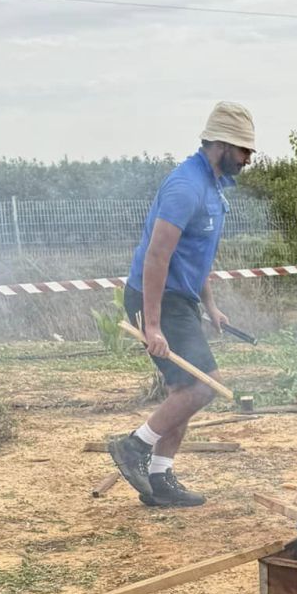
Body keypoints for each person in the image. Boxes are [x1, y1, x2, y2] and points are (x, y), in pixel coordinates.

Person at [107, 102, 256, 507]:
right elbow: (158, 256)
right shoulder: (185, 187)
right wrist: (152, 325)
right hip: (156, 297)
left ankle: (158, 481)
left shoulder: (213, 186)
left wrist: (209, 305)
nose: (248, 158)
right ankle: (133, 447)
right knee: (204, 383)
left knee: (180, 391)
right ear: (222, 144)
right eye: (244, 150)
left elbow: (196, 255)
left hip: (180, 298)